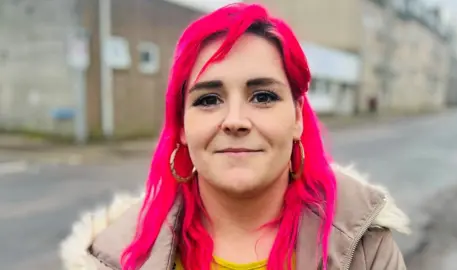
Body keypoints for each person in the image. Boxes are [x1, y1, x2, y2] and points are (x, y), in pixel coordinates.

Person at [59, 3, 410, 270]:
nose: (236, 121)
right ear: (181, 126)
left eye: (263, 96)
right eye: (208, 100)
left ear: (298, 117)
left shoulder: (365, 246)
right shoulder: (115, 254)